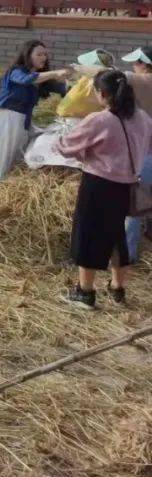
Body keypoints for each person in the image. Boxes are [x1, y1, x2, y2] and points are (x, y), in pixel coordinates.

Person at [58, 70, 152, 309]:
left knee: (89, 235)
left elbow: (67, 147)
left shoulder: (99, 119)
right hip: (126, 186)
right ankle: (118, 288)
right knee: (117, 237)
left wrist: (60, 142)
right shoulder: (143, 118)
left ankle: (85, 293)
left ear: (102, 93)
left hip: (98, 185)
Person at [0, 40, 70, 189]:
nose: (43, 57)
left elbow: (66, 90)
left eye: (45, 54)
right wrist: (55, 73)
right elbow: (26, 79)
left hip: (20, 123)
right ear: (28, 56)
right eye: (39, 54)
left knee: (13, 157)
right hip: (3, 121)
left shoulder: (42, 79)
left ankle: (2, 189)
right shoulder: (16, 71)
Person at [121, 46, 152, 264]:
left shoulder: (141, 80)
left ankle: (127, 253)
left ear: (143, 63)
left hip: (146, 151)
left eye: (135, 62)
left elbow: (110, 75)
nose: (133, 66)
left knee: (133, 203)